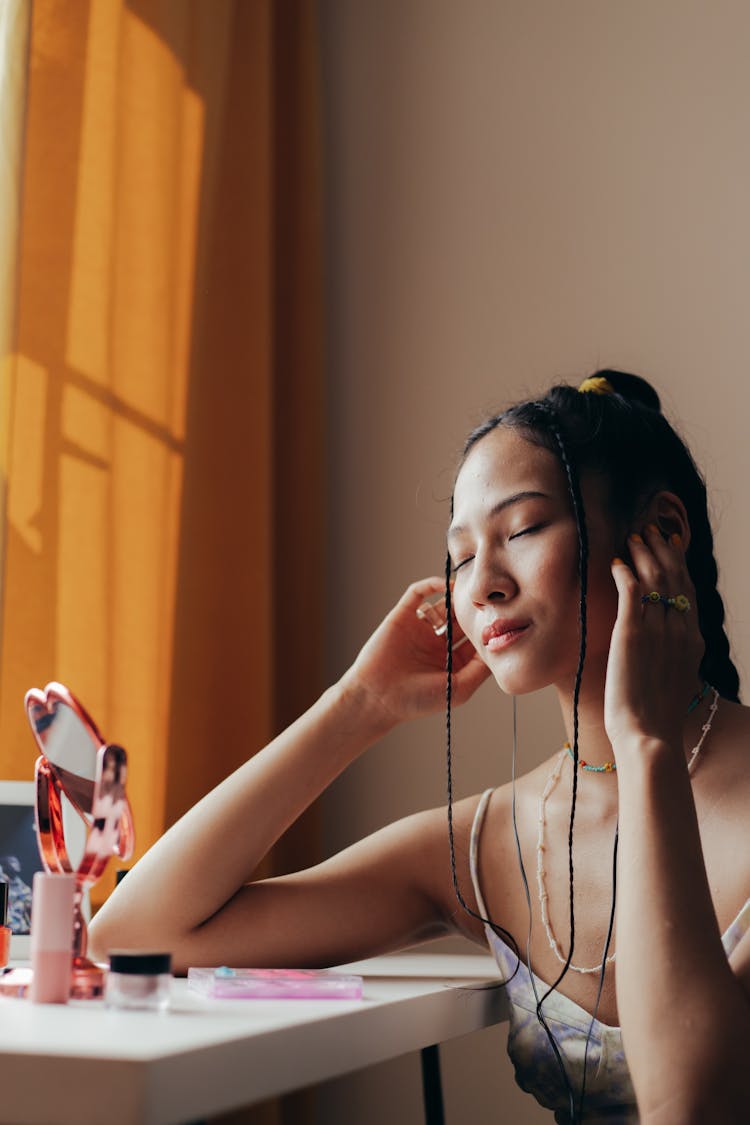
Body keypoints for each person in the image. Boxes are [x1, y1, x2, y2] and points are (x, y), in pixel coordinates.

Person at [89, 371, 749, 1123]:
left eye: (524, 528)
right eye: (461, 555)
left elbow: (694, 1105)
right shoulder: (487, 843)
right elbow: (135, 933)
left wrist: (649, 749)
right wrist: (356, 705)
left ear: (661, 531)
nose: (484, 584)